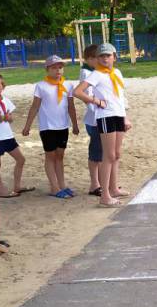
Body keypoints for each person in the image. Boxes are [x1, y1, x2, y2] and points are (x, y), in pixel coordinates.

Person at [73, 43, 132, 208]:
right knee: (109, 155)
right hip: (105, 116)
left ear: (114, 57)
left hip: (118, 114)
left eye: (108, 55)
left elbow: (119, 96)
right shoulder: (96, 74)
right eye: (102, 56)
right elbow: (77, 92)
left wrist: (125, 117)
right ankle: (104, 195)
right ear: (97, 59)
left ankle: (113, 188)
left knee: (117, 153)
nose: (105, 58)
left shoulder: (117, 73)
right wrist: (96, 101)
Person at [22, 55, 79, 198]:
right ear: (47, 69)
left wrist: (75, 125)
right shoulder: (41, 86)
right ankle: (54, 187)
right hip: (47, 127)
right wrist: (27, 126)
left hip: (63, 126)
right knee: (50, 156)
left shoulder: (68, 85)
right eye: (54, 67)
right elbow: (35, 106)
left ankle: (62, 185)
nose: (58, 70)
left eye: (60, 67)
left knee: (60, 156)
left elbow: (71, 107)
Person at [0, 73, 33, 198]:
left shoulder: (5, 100)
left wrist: (8, 118)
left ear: (3, 86)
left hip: (7, 136)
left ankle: (17, 186)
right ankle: (2, 190)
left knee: (21, 159)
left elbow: (11, 119)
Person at [80, 44, 102, 196]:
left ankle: (103, 182)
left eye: (98, 56)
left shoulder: (102, 72)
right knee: (95, 152)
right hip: (95, 119)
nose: (97, 60)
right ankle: (94, 184)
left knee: (104, 152)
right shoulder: (86, 73)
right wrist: (96, 105)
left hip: (105, 116)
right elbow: (85, 95)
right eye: (93, 57)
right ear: (87, 59)